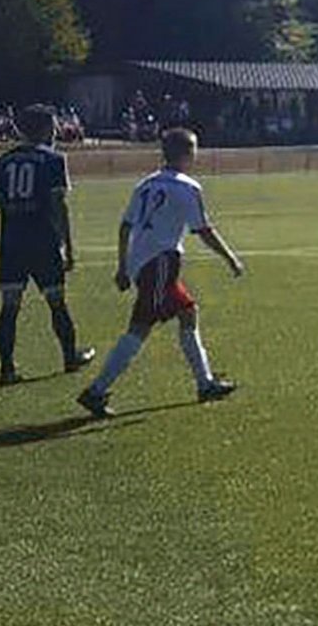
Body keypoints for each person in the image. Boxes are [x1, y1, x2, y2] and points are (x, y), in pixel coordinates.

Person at [76, 129, 243, 419]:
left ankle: (205, 384)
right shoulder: (187, 187)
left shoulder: (145, 184)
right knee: (139, 327)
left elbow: (125, 226)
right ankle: (96, 391)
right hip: (161, 262)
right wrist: (230, 258)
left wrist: (123, 266)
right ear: (187, 153)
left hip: (144, 263)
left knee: (188, 311)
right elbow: (203, 230)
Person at [0, 106, 94, 386]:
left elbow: (2, 205)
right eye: (52, 126)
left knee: (10, 305)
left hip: (12, 241)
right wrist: (68, 247)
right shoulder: (53, 160)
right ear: (44, 129)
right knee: (56, 302)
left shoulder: (3, 161)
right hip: (43, 240)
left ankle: (7, 369)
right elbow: (59, 206)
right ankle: (69, 357)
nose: (56, 131)